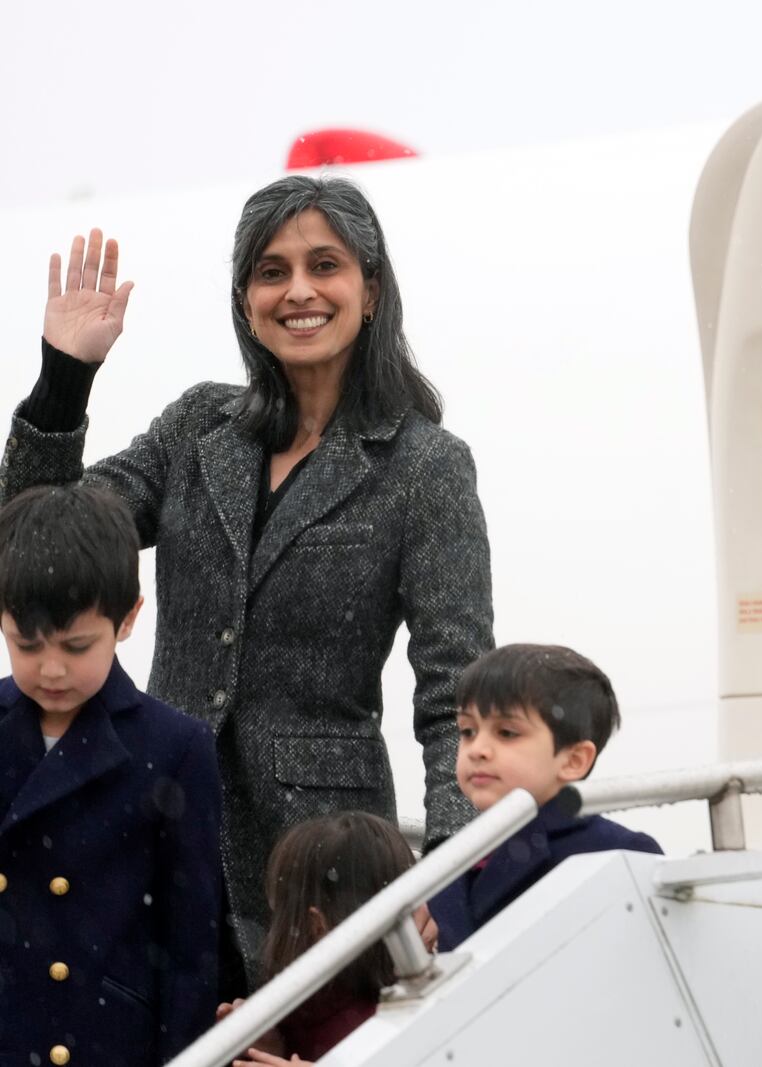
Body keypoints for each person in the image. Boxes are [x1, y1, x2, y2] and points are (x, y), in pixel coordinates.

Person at [0, 176, 495, 985]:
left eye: (324, 265)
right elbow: (38, 546)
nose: (298, 290)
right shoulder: (199, 426)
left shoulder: (426, 467)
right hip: (155, 827)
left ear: (370, 291)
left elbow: (456, 693)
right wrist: (64, 380)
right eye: (271, 270)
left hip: (326, 869)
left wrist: (449, 868)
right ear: (245, 298)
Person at [0, 483, 222, 1065]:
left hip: (98, 1039)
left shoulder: (176, 746)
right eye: (26, 644)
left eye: (76, 646)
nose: (50, 668)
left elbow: (191, 941)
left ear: (127, 620)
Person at [429, 644, 662, 951]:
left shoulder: (617, 855)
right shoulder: (446, 867)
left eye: (507, 733)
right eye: (468, 731)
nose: (477, 749)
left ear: (574, 760)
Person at [220, 811, 415, 1066]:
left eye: (279, 912)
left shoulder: (380, 1028)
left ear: (317, 925)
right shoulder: (409, 1006)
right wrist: (272, 1047)